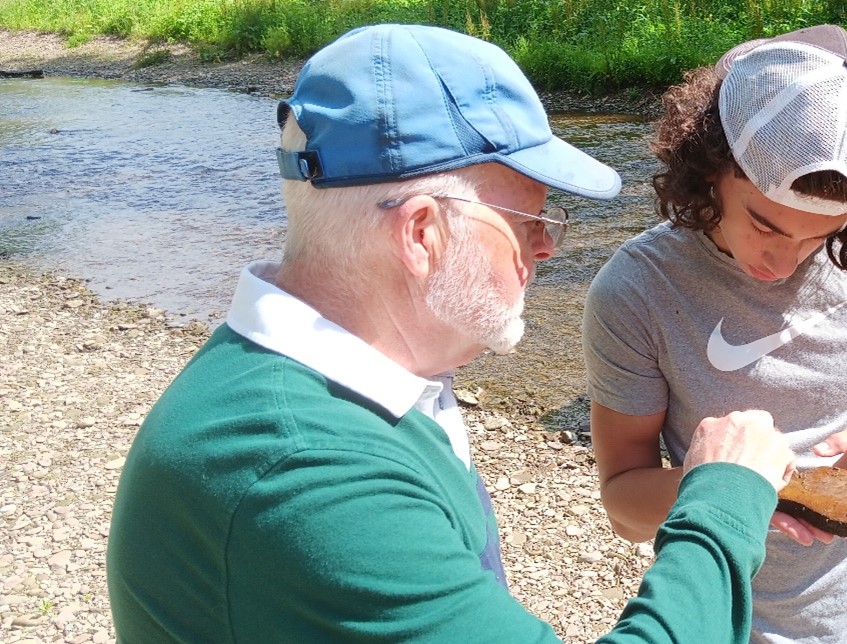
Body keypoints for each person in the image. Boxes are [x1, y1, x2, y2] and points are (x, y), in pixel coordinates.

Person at [106, 23, 797, 643]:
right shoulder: (305, 475)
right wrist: (722, 496)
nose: (548, 248)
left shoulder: (329, 386)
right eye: (531, 221)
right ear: (423, 234)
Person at [582, 24, 847, 644]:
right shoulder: (635, 290)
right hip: (721, 624)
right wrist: (737, 493)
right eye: (763, 223)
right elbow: (624, 503)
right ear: (709, 168)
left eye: (819, 236)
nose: (783, 260)